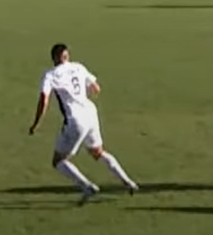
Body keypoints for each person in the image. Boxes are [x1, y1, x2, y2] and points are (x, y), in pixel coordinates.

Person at [28, 44, 138, 205]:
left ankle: (87, 187)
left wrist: (36, 124)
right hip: (90, 113)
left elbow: (44, 99)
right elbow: (96, 88)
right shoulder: (78, 67)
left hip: (75, 120)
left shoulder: (50, 74)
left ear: (54, 58)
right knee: (98, 152)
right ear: (67, 56)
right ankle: (128, 182)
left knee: (58, 161)